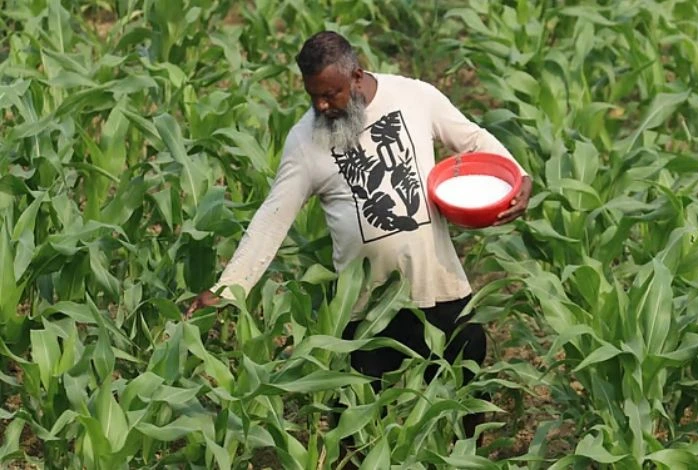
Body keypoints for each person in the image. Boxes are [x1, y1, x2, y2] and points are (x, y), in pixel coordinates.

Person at [186, 31, 532, 441]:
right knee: (354, 423)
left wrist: (518, 175)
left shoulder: (415, 97)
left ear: (357, 74)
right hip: (367, 308)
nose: (321, 106)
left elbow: (473, 139)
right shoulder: (304, 140)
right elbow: (271, 219)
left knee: (466, 384)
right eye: (313, 96)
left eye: (331, 94)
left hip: (435, 285)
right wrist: (227, 289)